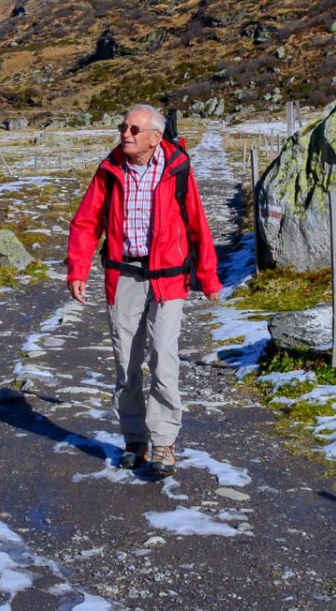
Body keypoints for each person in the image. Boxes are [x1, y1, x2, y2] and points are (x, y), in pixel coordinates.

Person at [65, 104, 222, 478]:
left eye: (134, 129)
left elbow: (197, 224)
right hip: (125, 278)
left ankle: (164, 443)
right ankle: (134, 439)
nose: (126, 134)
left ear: (155, 137)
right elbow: (86, 222)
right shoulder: (110, 170)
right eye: (123, 127)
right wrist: (78, 268)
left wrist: (209, 278)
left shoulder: (177, 169)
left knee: (164, 359)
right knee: (127, 362)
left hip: (169, 280)